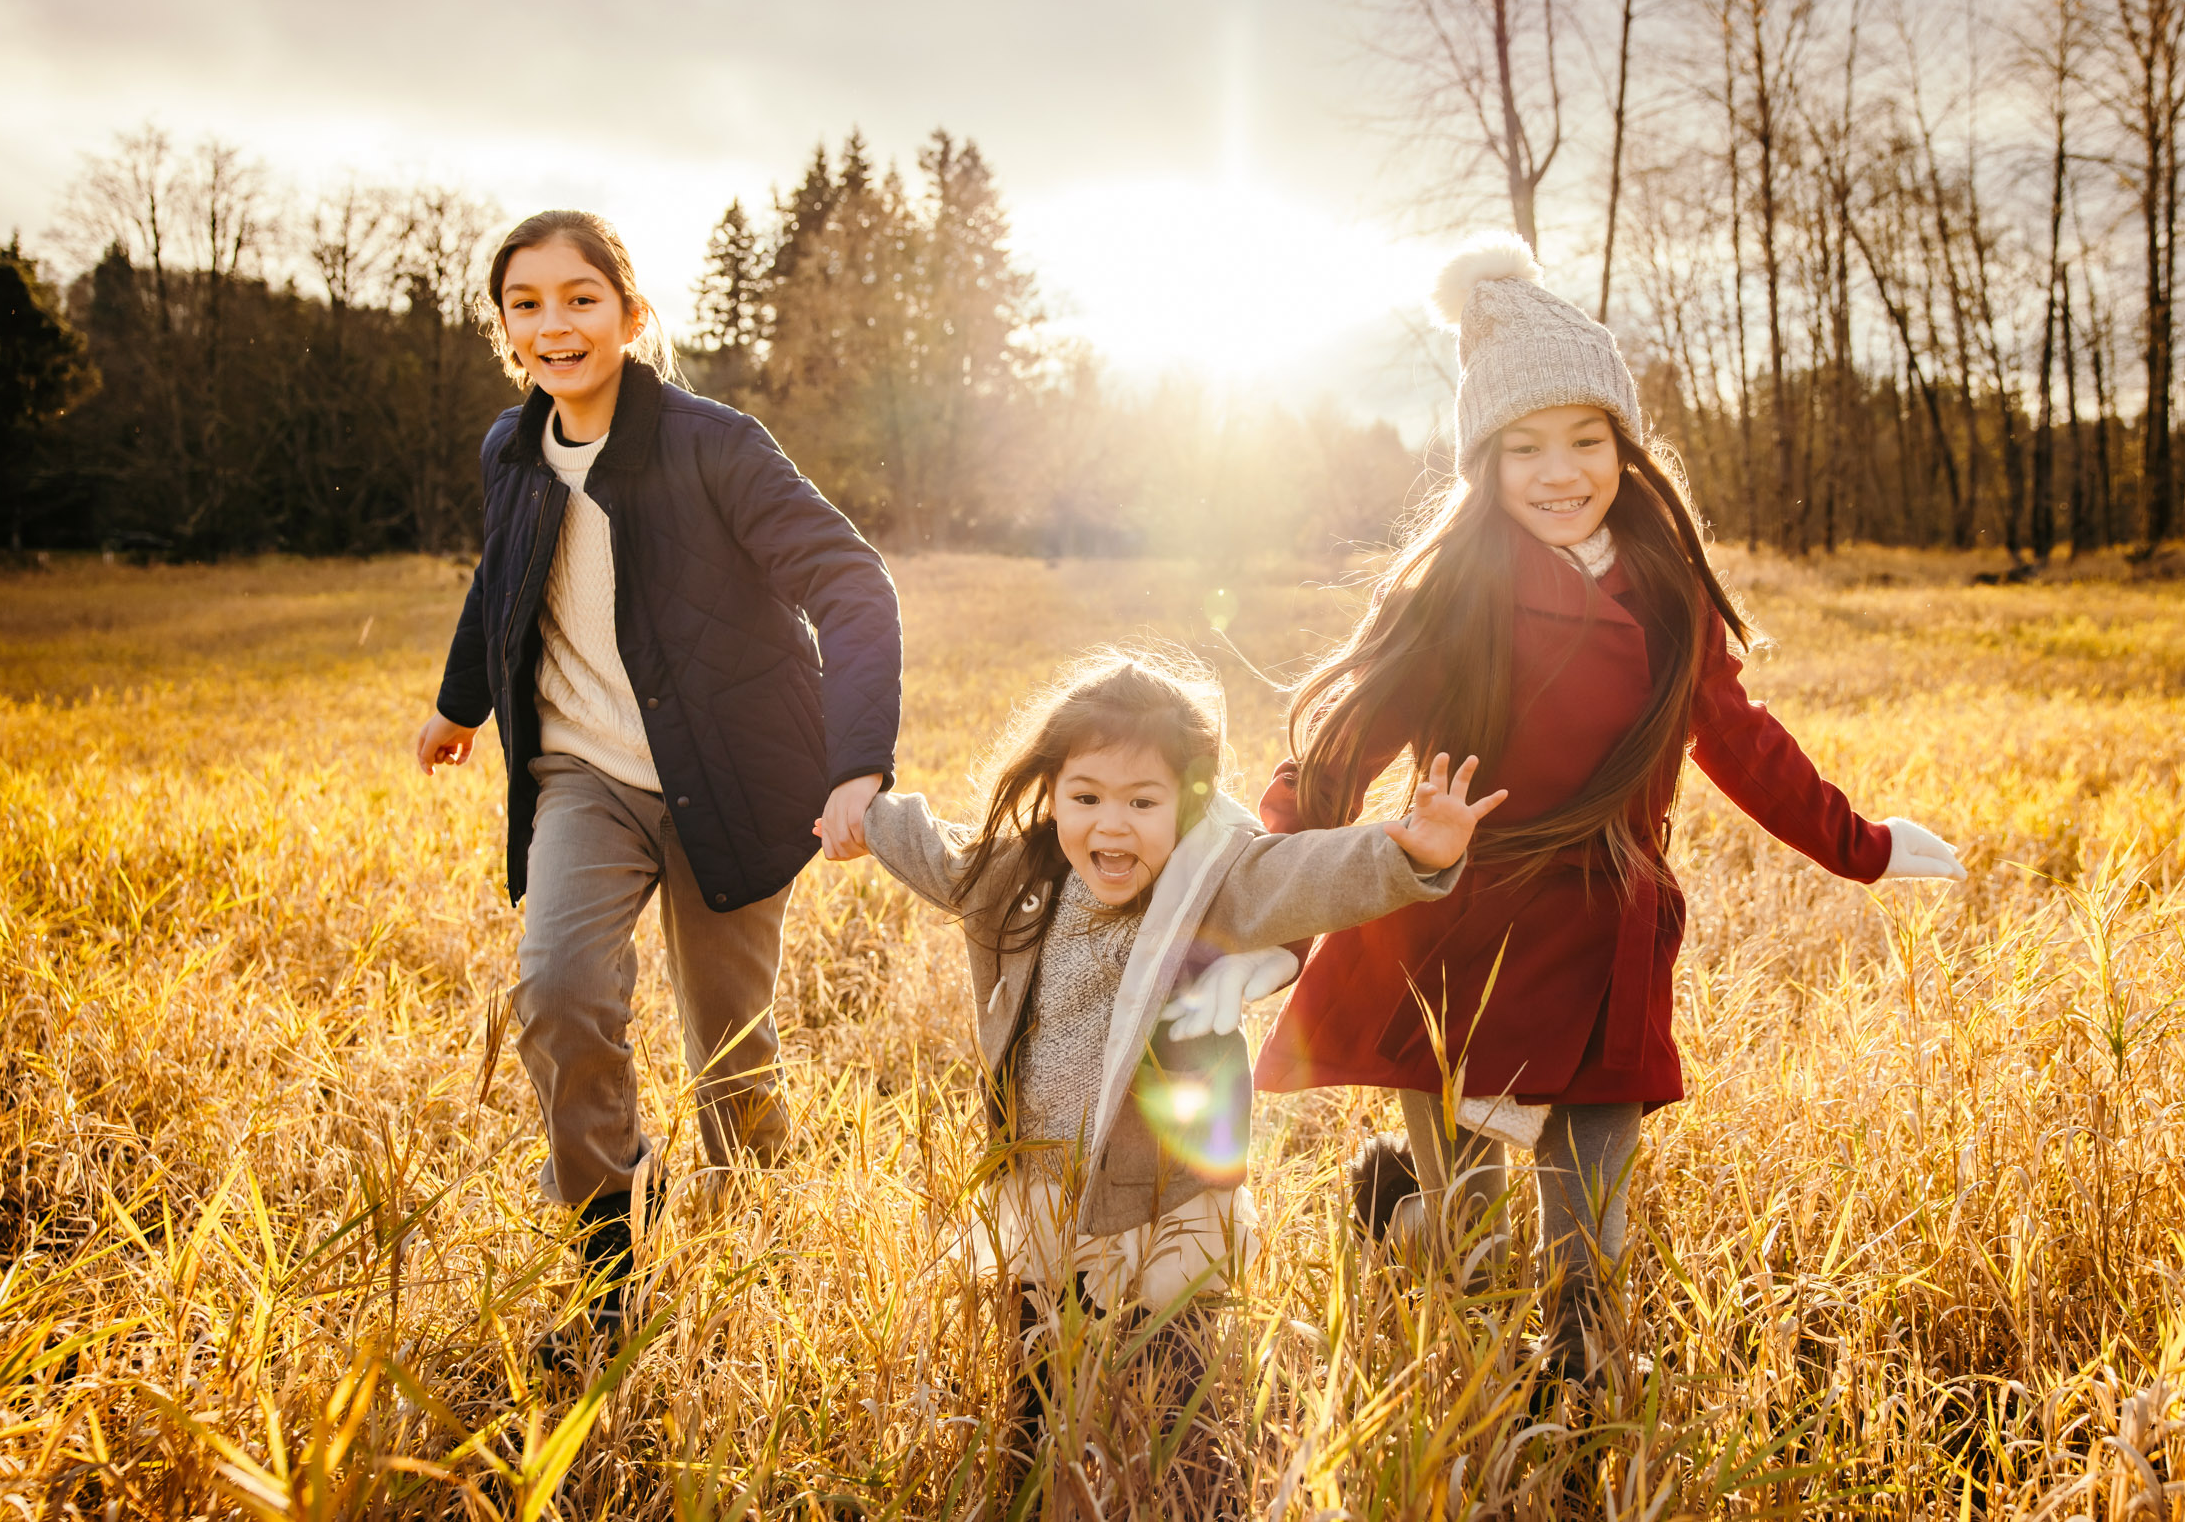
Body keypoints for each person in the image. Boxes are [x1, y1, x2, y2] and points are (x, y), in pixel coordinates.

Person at [1246, 233, 1966, 1387]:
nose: (1559, 469)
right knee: (1467, 1246)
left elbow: (1740, 740)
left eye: (1586, 438)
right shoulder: (1450, 596)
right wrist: (1268, 915)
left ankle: (1579, 1414)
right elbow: (1335, 755)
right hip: (1452, 944)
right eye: (1524, 445)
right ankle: (1399, 1215)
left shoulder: (1666, 591)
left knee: (1588, 1254)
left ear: (1625, 449)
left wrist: (1861, 843)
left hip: (1601, 939)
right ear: (1486, 463)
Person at [415, 210, 900, 1365]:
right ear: (504, 331)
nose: (554, 323)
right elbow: (503, 578)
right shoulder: (511, 450)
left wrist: (857, 764)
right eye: (525, 303)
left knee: (729, 1045)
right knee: (559, 987)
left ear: (632, 316)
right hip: (585, 772)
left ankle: (761, 1240)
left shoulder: (714, 444)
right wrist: (458, 702)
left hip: (732, 777)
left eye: (579, 297)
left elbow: (851, 582)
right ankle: (610, 1255)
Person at [836, 648, 1498, 1474]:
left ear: (1187, 804)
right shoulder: (1021, 873)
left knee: (1175, 1400)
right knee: (1037, 1403)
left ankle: (1190, 1485)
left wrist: (1411, 852)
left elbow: (1309, 873)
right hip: (1046, 1186)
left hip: (1165, 1198)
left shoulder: (1210, 884)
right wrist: (861, 810)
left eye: (1141, 802)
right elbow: (941, 853)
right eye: (1086, 798)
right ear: (1053, 793)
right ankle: (1037, 1480)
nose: (1111, 825)